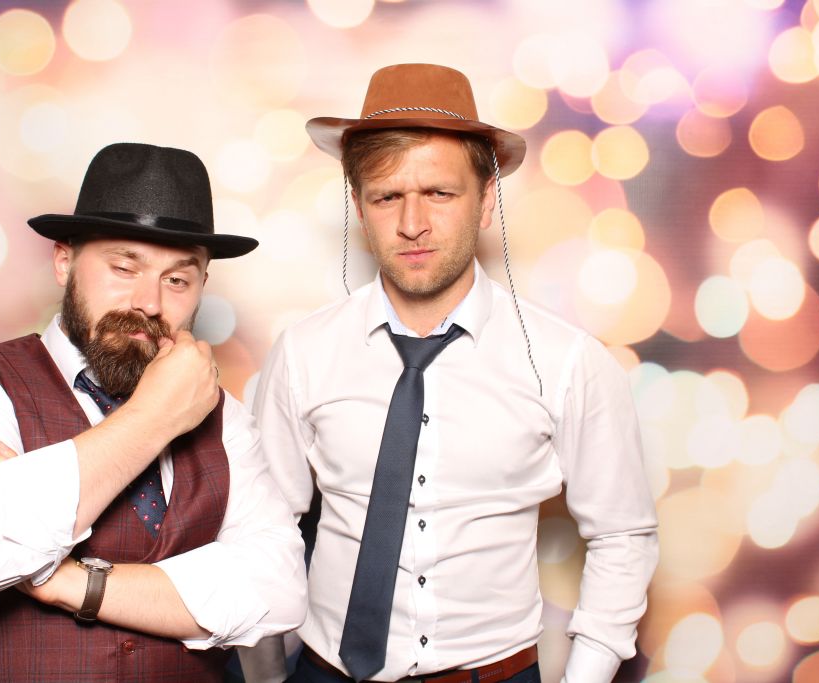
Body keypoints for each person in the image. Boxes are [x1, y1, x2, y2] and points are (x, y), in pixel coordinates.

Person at [245, 64, 659, 682]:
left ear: (486, 201)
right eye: (387, 197)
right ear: (359, 208)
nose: (412, 223)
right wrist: (266, 678)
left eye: (439, 193)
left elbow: (623, 535)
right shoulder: (304, 352)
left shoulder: (568, 362)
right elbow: (263, 530)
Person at [0, 143, 307, 682]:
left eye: (178, 279)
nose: (149, 302)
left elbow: (279, 591)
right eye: (124, 267)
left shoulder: (224, 417)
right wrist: (153, 419)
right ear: (64, 262)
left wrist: (66, 580)